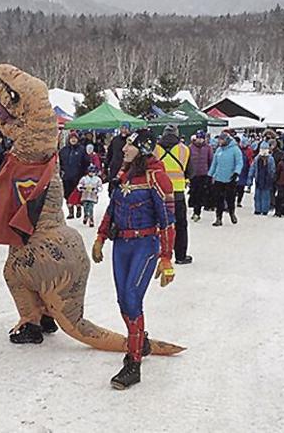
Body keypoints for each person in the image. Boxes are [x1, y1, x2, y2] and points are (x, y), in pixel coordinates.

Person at [91, 129, 175, 390]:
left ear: (144, 149)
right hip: (121, 245)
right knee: (122, 300)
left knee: (131, 297)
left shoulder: (157, 177)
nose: (124, 148)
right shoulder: (123, 173)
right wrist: (101, 236)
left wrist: (166, 257)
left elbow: (168, 221)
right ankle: (141, 340)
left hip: (144, 245)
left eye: (130, 145)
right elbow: (112, 208)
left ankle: (133, 362)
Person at [154, 124, 192, 264]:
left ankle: (157, 252)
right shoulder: (184, 149)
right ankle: (181, 256)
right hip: (177, 193)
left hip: (159, 192)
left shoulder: (155, 149)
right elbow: (190, 171)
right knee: (180, 225)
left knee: (159, 223)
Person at [208, 132, 243, 227]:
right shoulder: (219, 150)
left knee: (230, 198)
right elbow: (214, 164)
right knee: (218, 199)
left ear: (226, 140)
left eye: (221, 140)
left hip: (230, 178)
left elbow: (239, 162)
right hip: (219, 178)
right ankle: (218, 218)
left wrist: (236, 172)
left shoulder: (235, 150)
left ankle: (232, 213)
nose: (219, 142)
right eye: (219, 140)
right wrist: (210, 175)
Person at [59, 131, 88, 220]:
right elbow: (60, 162)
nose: (73, 140)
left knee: (77, 193)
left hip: (78, 176)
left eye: (75, 138)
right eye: (72, 138)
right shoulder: (64, 150)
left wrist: (85, 174)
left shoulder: (82, 149)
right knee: (67, 194)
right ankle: (70, 211)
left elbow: (86, 162)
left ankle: (78, 208)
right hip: (67, 176)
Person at [188, 130, 213, 221]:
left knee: (200, 193)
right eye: (198, 138)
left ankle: (197, 212)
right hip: (193, 174)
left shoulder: (208, 148)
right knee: (193, 192)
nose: (200, 140)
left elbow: (210, 160)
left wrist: (211, 173)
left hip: (204, 174)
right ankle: (194, 208)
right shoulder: (190, 148)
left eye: (201, 138)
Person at [251, 142, 276, 216]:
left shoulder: (270, 159)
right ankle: (258, 209)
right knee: (258, 195)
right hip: (259, 178)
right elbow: (253, 168)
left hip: (267, 179)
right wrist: (250, 177)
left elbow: (272, 170)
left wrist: (272, 178)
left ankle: (265, 209)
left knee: (266, 195)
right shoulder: (256, 159)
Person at [105, 123, 131, 195]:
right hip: (114, 167)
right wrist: (107, 164)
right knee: (112, 188)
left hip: (126, 168)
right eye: (122, 128)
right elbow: (110, 153)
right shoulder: (115, 139)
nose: (124, 130)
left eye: (126, 128)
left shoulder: (131, 140)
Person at [235, 138, 254, 209]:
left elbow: (250, 160)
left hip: (244, 171)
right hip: (238, 171)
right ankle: (234, 200)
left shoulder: (249, 150)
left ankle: (239, 201)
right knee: (235, 188)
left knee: (241, 188)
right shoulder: (237, 150)